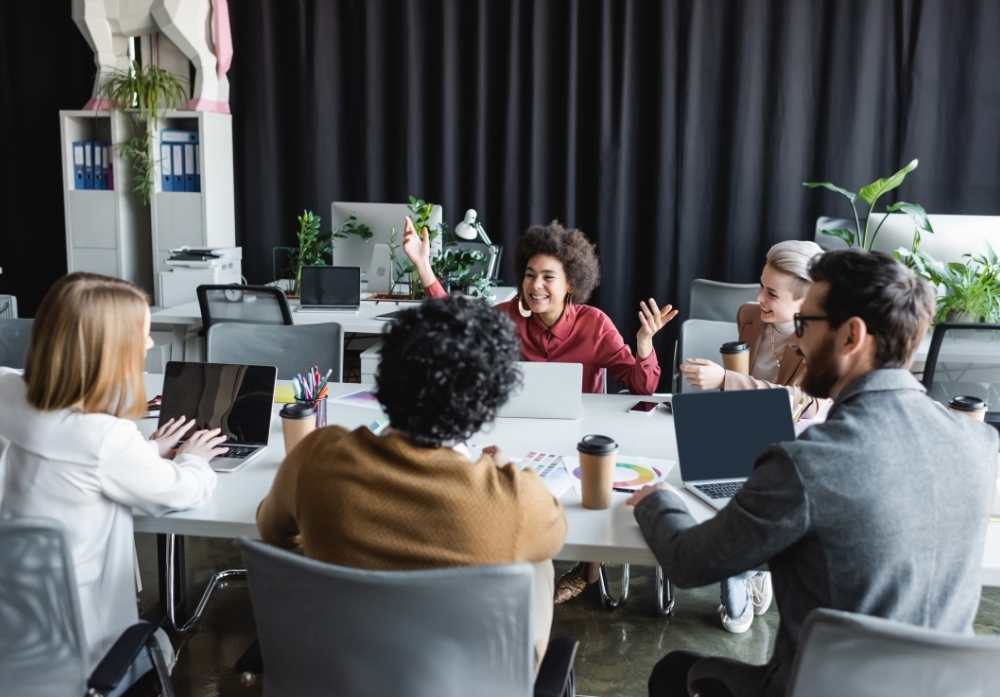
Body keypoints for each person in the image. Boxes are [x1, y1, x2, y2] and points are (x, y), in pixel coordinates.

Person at [629, 250, 998, 697]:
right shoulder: (980, 444)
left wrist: (657, 498)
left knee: (671, 673)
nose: (797, 342)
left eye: (805, 325)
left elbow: (689, 563)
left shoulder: (804, 464)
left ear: (851, 336)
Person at [257, 295, 567, 668]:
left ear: (386, 380)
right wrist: (506, 471)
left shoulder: (316, 456)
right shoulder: (514, 497)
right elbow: (556, 532)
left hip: (340, 674)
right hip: (467, 682)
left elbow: (273, 532)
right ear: (486, 402)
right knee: (538, 563)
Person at [403, 217, 677, 601]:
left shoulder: (594, 325)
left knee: (591, 482)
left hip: (576, 438)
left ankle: (589, 566)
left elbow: (642, 385)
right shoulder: (508, 315)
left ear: (571, 284)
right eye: (530, 275)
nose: (535, 286)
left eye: (549, 277)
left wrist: (644, 344)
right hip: (519, 432)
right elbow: (457, 326)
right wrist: (423, 266)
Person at [0, 273, 224, 684]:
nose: (150, 342)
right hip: (85, 652)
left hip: (14, 637)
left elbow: (71, 446)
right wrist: (193, 458)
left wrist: (146, 450)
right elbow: (181, 492)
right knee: (162, 645)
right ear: (110, 348)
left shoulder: (9, 393)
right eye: (142, 332)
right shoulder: (106, 438)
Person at [679, 239, 827, 634]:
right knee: (701, 486)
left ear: (804, 301)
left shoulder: (822, 336)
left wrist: (725, 379)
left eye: (771, 293)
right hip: (742, 433)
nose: (757, 297)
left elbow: (796, 400)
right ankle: (752, 566)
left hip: (793, 444)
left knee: (745, 500)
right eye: (761, 285)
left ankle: (746, 570)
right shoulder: (749, 314)